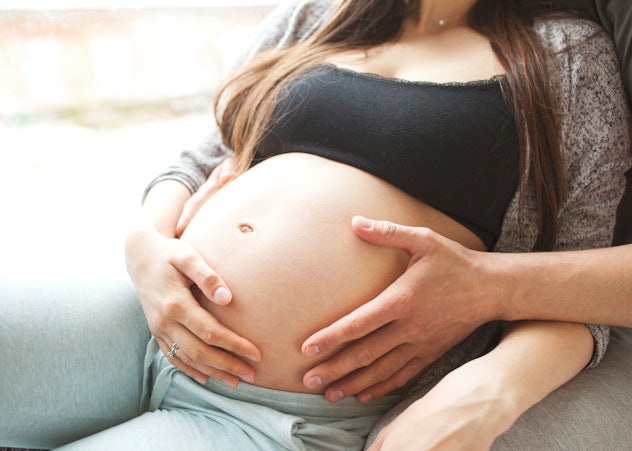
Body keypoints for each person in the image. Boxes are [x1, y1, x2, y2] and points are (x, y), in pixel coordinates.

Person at [0, 1, 630, 450]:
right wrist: (146, 242)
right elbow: (199, 158)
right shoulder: (319, 14)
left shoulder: (568, 56)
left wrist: (493, 385)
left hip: (276, 411)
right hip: (142, 314)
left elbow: (575, 281)